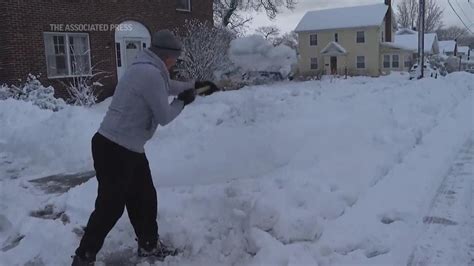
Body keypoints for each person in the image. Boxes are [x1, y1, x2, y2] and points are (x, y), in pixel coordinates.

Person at [72, 29, 218, 265]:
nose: (174, 63)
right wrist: (183, 102)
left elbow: (166, 85)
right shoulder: (149, 73)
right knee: (111, 206)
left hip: (128, 149)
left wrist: (194, 84)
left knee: (144, 198)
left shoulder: (147, 68)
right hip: (114, 149)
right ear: (166, 56)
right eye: (174, 59)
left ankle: (148, 246)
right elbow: (164, 116)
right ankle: (83, 256)